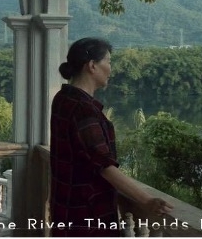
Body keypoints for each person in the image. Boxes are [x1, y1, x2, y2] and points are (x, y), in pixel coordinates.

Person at [50, 37, 173, 237]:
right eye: (108, 61)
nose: (111, 68)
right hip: (87, 214)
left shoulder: (63, 98)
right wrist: (146, 200)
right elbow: (104, 166)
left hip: (65, 208)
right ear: (92, 66)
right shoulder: (83, 110)